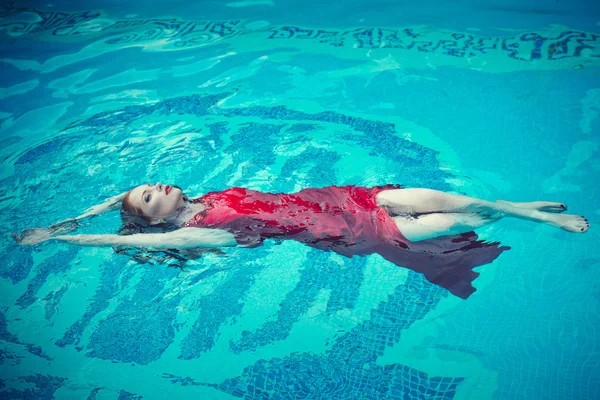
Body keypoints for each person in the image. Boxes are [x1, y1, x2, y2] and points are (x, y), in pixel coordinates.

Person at [12, 182, 590, 299]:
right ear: (159, 222)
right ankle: (524, 214)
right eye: (146, 197)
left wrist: (70, 215)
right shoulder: (197, 232)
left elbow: (116, 198)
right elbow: (112, 239)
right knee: (476, 219)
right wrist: (64, 239)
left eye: (149, 186)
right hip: (355, 231)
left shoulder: (202, 195)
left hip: (350, 196)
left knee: (459, 199)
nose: (152, 186)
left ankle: (524, 210)